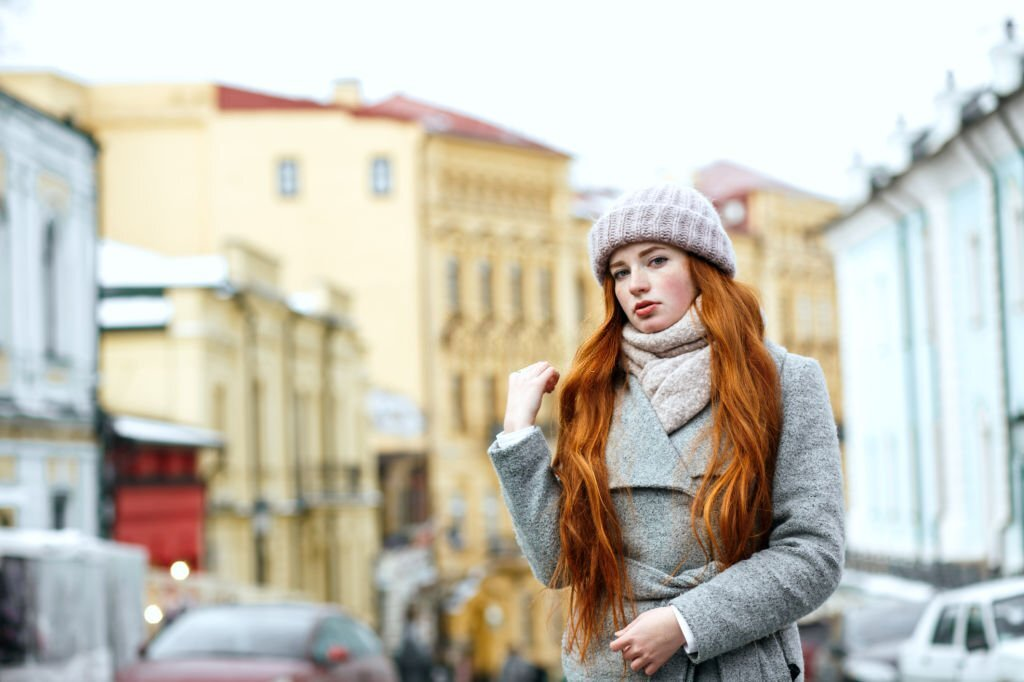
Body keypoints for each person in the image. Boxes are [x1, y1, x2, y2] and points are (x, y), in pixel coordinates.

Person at [488, 184, 844, 680]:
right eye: (620, 271)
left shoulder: (784, 380)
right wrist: (518, 439)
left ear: (702, 267)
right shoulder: (591, 390)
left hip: (735, 664)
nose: (635, 284)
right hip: (616, 666)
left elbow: (814, 554)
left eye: (656, 261)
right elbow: (559, 564)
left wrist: (685, 622)